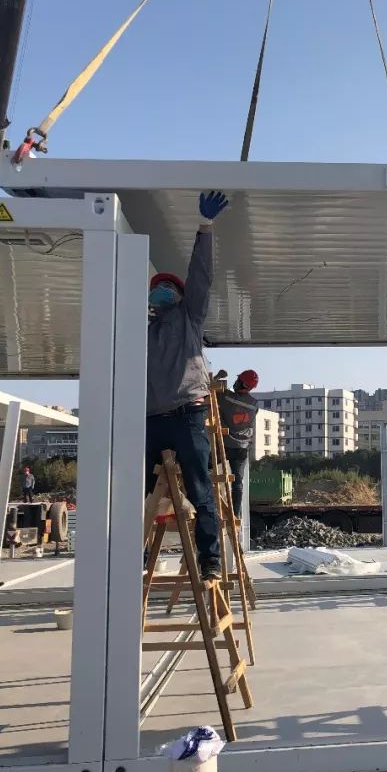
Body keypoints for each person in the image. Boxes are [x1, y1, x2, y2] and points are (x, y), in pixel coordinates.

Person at [145, 190, 229, 581]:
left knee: (199, 488)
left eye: (169, 288)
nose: (162, 292)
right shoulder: (143, 330)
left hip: (188, 413)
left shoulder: (189, 317)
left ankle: (210, 559)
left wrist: (205, 227)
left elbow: (201, 277)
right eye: (156, 288)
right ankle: (138, 553)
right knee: (139, 490)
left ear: (179, 296)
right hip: (152, 418)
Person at [219, 369, 259, 519]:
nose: (235, 383)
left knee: (206, 470)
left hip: (224, 445)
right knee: (237, 482)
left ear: (242, 383)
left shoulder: (226, 398)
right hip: (242, 447)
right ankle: (235, 514)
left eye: (238, 380)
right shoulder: (254, 404)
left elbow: (210, 390)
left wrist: (217, 378)